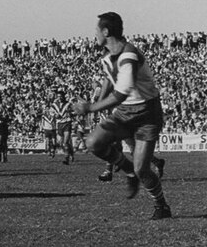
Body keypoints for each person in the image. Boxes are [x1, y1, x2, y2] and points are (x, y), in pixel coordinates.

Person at [72, 12, 172, 220]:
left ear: (106, 32)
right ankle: (128, 171)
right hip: (125, 112)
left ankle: (161, 206)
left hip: (147, 114)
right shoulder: (108, 58)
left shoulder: (129, 55)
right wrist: (99, 100)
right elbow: (109, 81)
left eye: (97, 31)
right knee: (93, 142)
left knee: (142, 169)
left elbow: (122, 92)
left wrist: (91, 107)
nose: (95, 35)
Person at [53, 91, 75, 165]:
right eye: (58, 96)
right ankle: (71, 153)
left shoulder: (69, 104)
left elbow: (74, 112)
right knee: (62, 143)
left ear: (64, 96)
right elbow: (52, 113)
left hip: (67, 123)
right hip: (59, 124)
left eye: (61, 96)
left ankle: (66, 158)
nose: (59, 98)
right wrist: (55, 116)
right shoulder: (54, 105)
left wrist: (71, 113)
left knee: (65, 142)